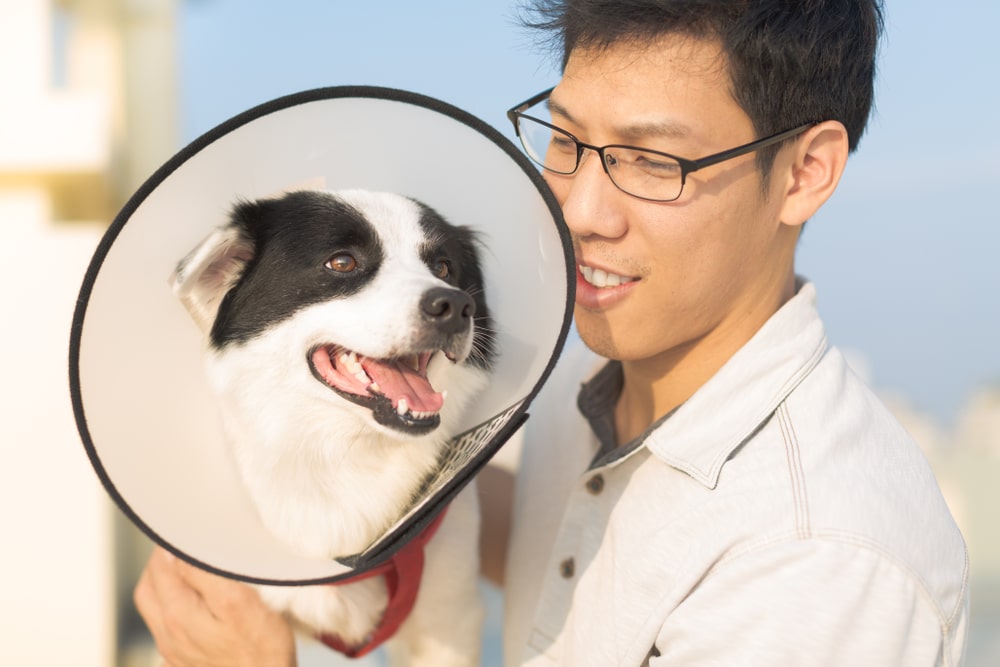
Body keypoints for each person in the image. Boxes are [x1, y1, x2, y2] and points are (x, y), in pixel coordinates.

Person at [135, 1, 970, 665]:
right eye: (566, 141)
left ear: (804, 172)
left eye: (653, 162)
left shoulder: (817, 562)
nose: (579, 212)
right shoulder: (587, 386)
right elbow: (525, 533)